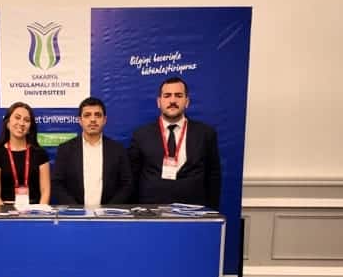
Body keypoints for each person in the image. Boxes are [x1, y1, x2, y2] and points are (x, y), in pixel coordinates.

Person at [129, 77, 221, 209]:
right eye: (167, 96)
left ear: (187, 101)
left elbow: (213, 177)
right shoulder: (141, 135)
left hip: (193, 212)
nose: (172, 100)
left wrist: (211, 212)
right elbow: (132, 178)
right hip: (152, 211)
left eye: (178, 95)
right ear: (159, 102)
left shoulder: (205, 134)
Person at [52, 97, 132, 205]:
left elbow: (127, 184)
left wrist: (108, 210)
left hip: (108, 213)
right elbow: (57, 184)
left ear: (104, 120)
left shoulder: (118, 150)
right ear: (80, 120)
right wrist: (77, 210)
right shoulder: (65, 149)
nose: (93, 119)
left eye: (97, 115)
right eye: (87, 115)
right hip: (75, 213)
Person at [0, 102, 50, 206]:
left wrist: (41, 212)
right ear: (7, 123)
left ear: (30, 128)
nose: (21, 123)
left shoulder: (40, 154)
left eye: (26, 120)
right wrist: (5, 213)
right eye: (17, 118)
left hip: (35, 211)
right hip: (5, 211)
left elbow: (45, 191)